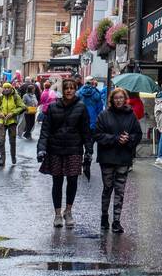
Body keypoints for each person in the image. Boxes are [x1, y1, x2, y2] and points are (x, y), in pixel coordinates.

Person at [37, 77, 92, 227]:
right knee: (57, 182)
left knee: (73, 180)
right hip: (55, 149)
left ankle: (68, 211)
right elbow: (45, 130)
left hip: (74, 149)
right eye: (66, 88)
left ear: (75, 90)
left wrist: (89, 150)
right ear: (63, 90)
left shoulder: (81, 107)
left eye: (72, 88)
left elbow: (86, 131)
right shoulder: (53, 107)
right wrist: (41, 149)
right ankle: (57, 214)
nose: (69, 90)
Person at [94, 87, 142, 232]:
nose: (119, 100)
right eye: (116, 98)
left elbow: (138, 134)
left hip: (123, 157)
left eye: (121, 97)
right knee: (108, 188)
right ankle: (104, 217)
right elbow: (97, 134)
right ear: (111, 100)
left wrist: (129, 139)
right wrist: (115, 139)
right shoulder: (104, 115)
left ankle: (116, 221)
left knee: (120, 190)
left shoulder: (131, 115)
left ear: (125, 99)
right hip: (107, 157)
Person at [0, 81, 26, 166]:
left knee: (12, 141)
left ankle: (13, 156)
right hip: (2, 122)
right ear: (3, 88)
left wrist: (13, 113)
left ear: (11, 88)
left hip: (12, 122)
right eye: (5, 88)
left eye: (8, 88)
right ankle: (2, 160)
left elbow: (22, 107)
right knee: (1, 141)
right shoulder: (0, 97)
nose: (6, 89)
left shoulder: (16, 97)